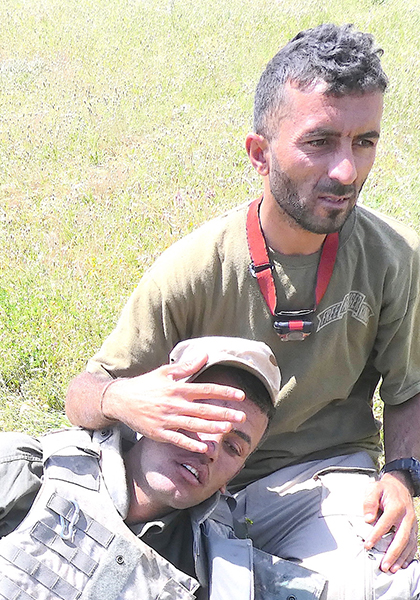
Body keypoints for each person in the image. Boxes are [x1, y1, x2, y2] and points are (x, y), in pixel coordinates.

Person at [65, 23, 420, 598]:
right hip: (193, 480)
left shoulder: (395, 256)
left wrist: (402, 477)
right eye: (320, 141)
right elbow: (83, 392)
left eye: (364, 142)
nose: (346, 172)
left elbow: (409, 390)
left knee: (388, 585)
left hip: (323, 481)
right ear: (260, 153)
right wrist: (123, 399)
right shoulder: (196, 264)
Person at [0, 337, 326, 600]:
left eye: (233, 446)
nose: (209, 448)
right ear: (152, 405)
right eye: (200, 417)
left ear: (232, 477)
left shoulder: (218, 575)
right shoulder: (30, 473)